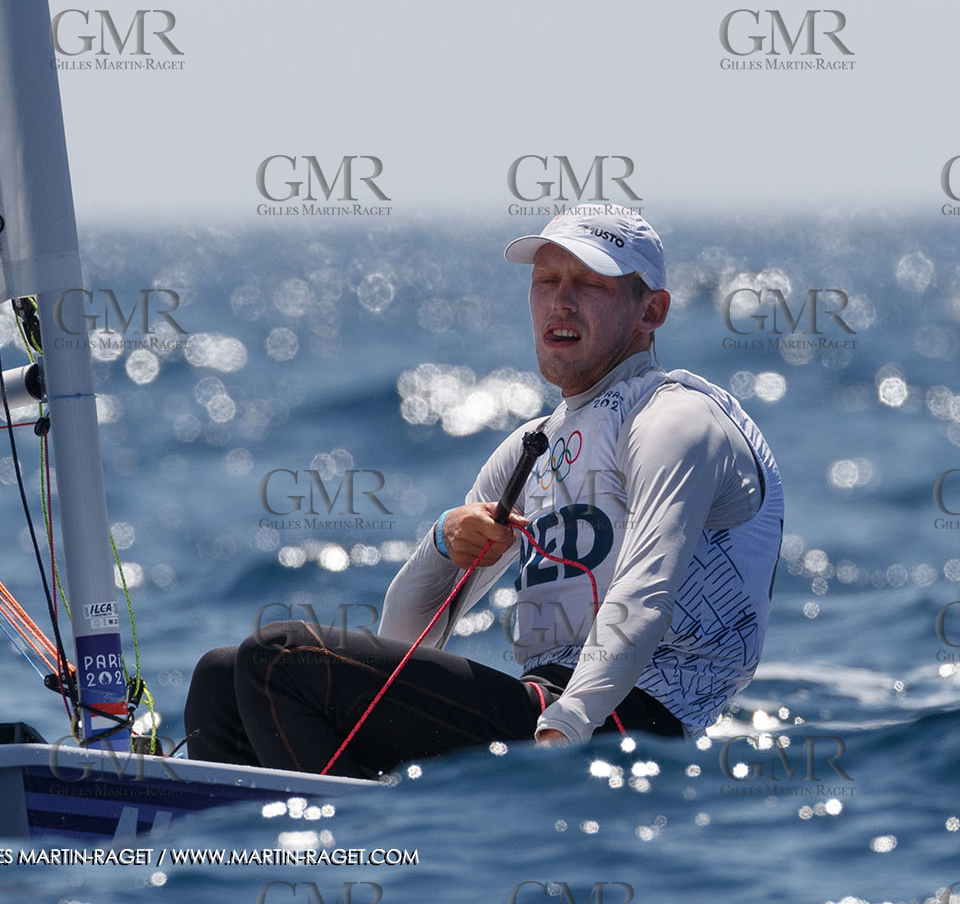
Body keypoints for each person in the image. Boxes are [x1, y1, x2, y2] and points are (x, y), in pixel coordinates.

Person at [183, 210, 783, 778]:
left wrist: (566, 728)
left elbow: (646, 589)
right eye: (546, 281)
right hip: (544, 707)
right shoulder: (534, 445)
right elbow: (402, 640)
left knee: (279, 659)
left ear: (651, 310)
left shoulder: (676, 421)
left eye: (590, 284)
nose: (561, 301)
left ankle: (353, 848)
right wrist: (445, 542)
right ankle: (243, 855)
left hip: (627, 727)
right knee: (221, 675)